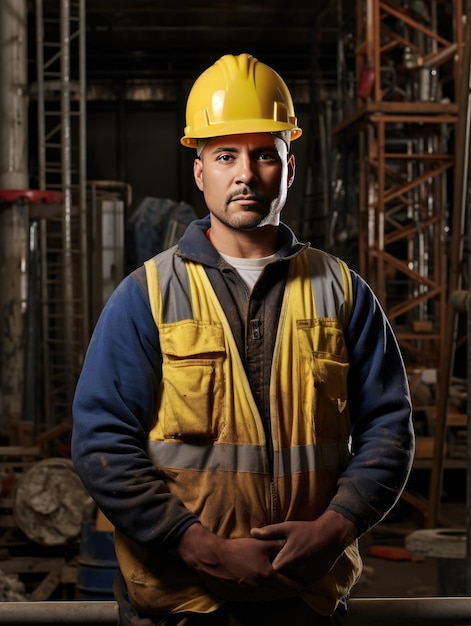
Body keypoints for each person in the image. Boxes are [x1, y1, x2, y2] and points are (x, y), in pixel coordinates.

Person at [72, 53, 414, 626]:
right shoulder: (147, 295)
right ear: (199, 170)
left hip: (303, 596)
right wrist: (196, 546)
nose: (246, 174)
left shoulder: (341, 291)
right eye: (225, 155)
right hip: (182, 601)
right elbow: (102, 443)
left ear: (290, 167)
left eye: (264, 155)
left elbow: (388, 429)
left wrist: (334, 528)